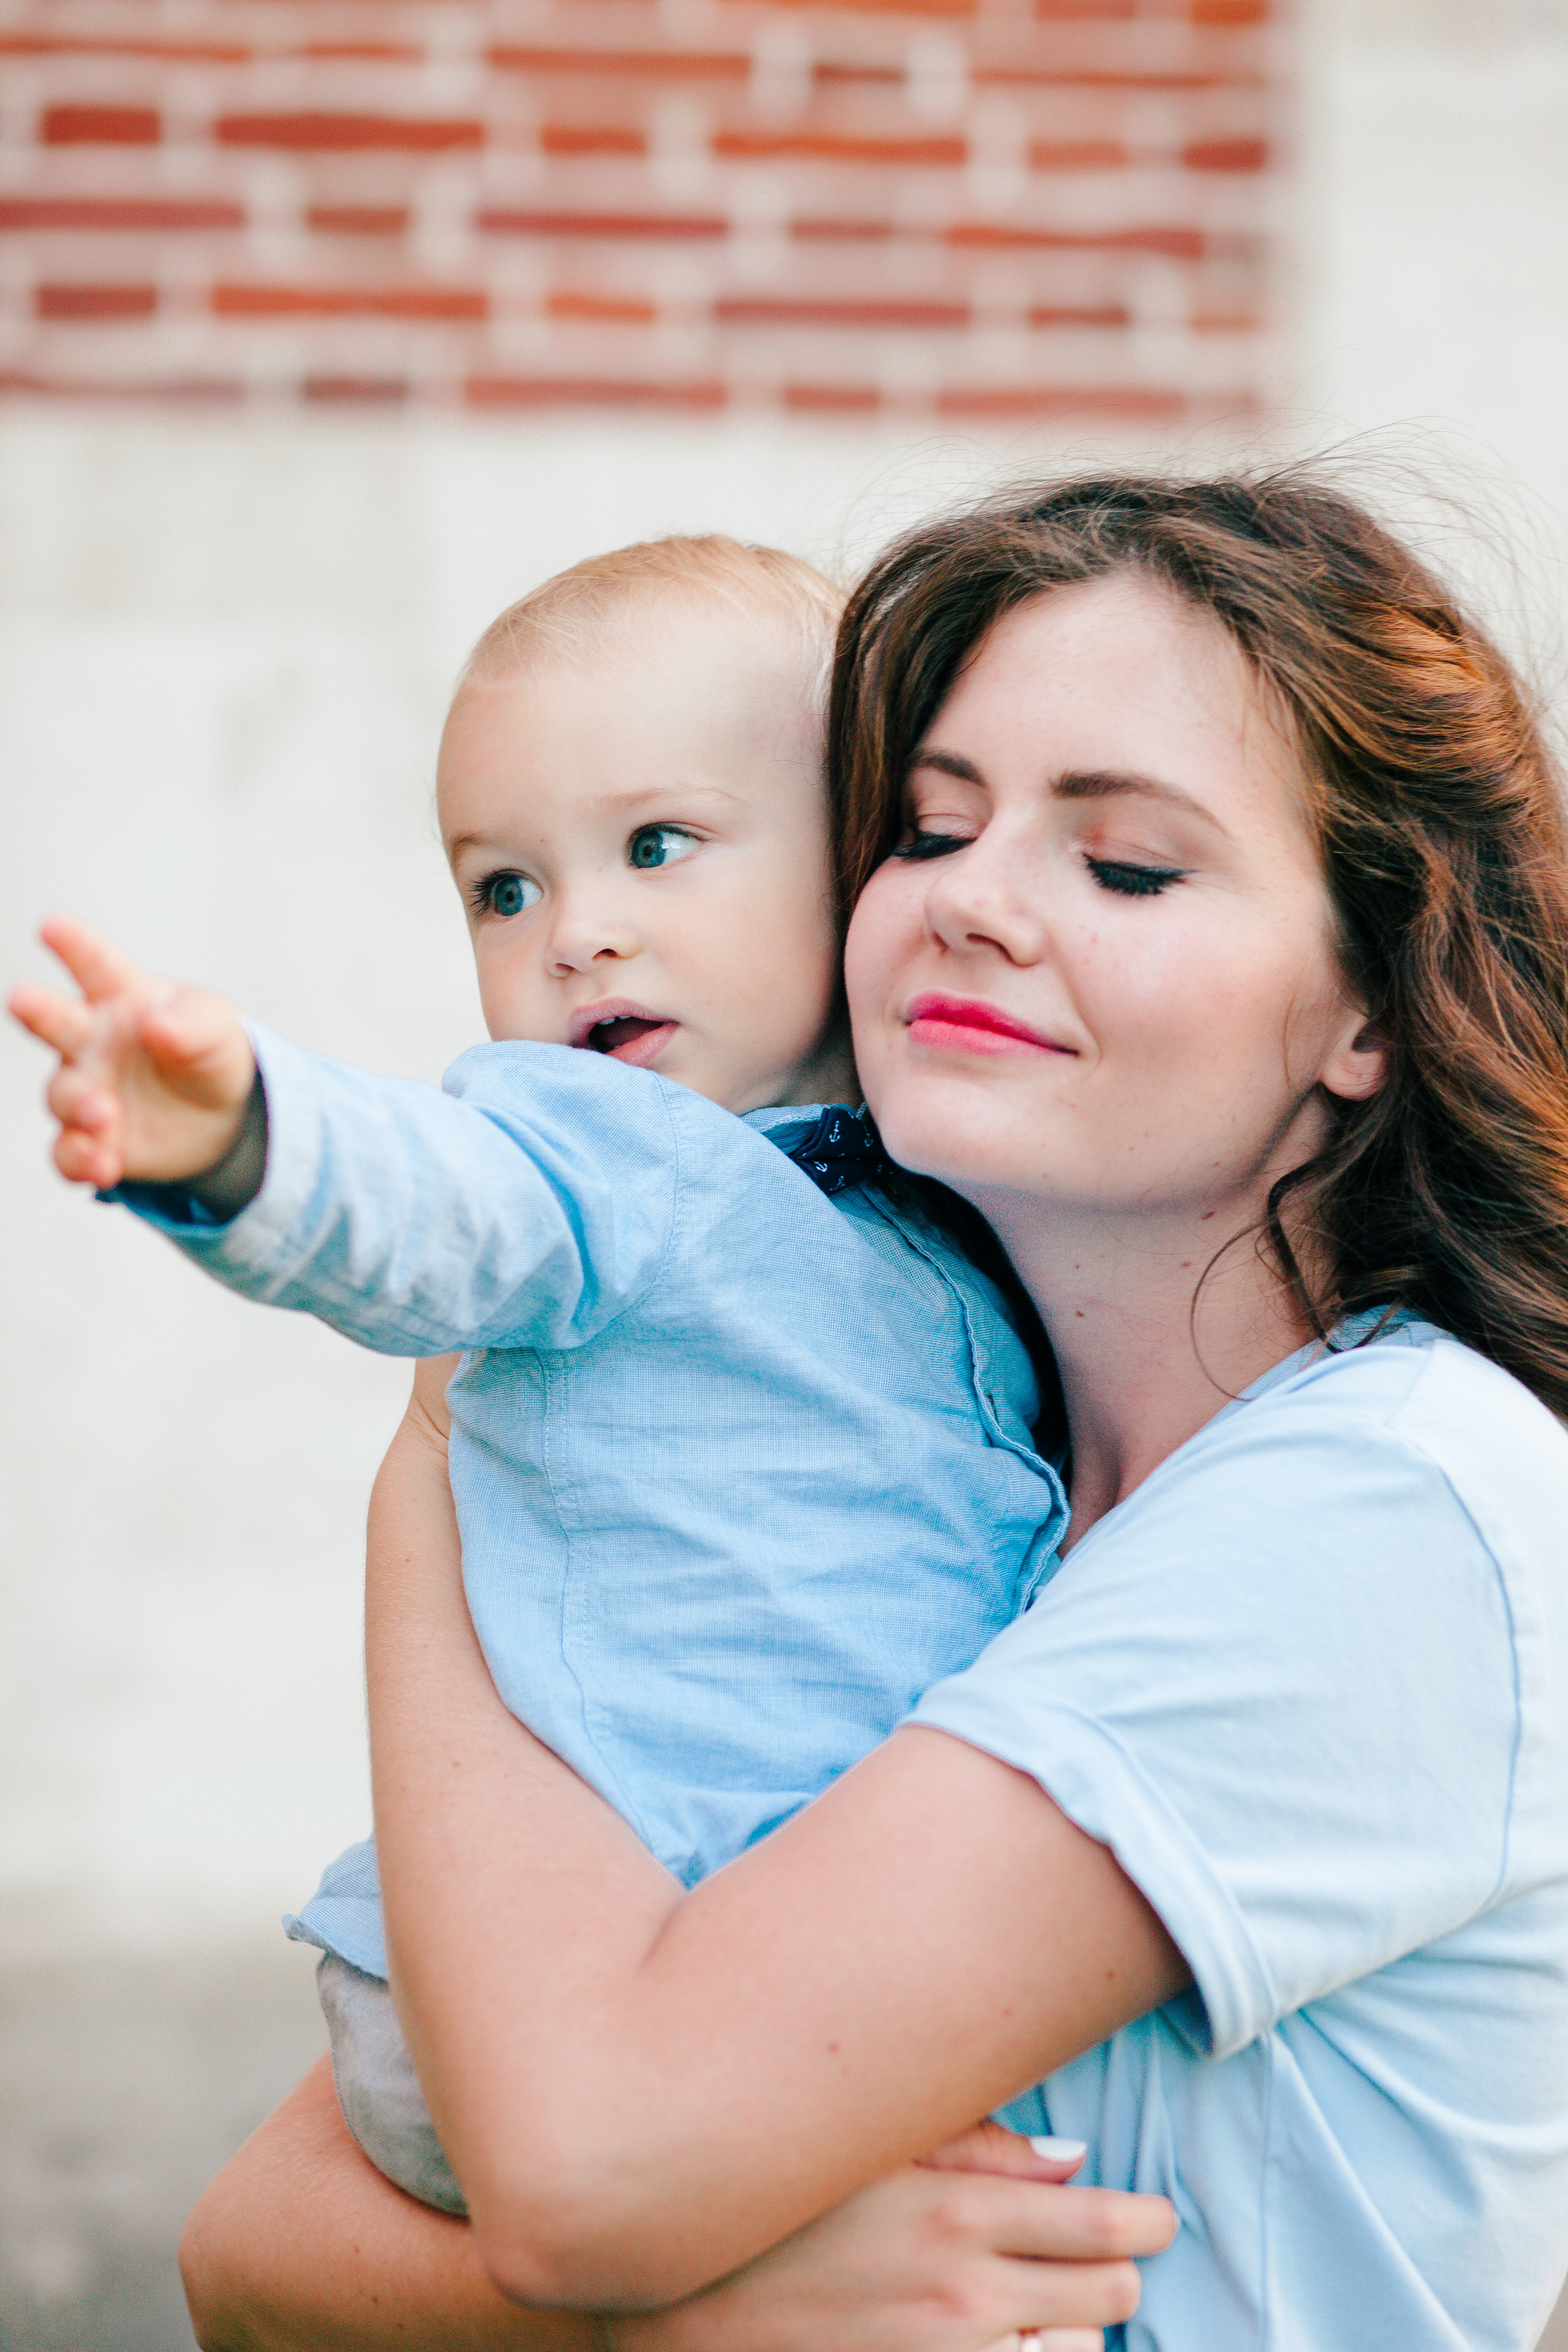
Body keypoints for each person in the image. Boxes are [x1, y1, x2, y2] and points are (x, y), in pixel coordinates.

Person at [175, 470, 1568, 2352]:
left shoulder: (1396, 1500)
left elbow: (582, 2174)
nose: (977, 901)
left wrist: (453, 1433)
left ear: (1369, 1012)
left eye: (1127, 862)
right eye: (927, 828)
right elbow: (250, 2245)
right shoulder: (912, 1466)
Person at [10, 535, 1093, 2235]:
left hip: (736, 1943)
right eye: (501, 889)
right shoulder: (613, 1159)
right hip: (588, 1975)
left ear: (861, 858)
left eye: (657, 847)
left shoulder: (919, 1198)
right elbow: (439, 1204)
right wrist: (243, 1141)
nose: (578, 932)